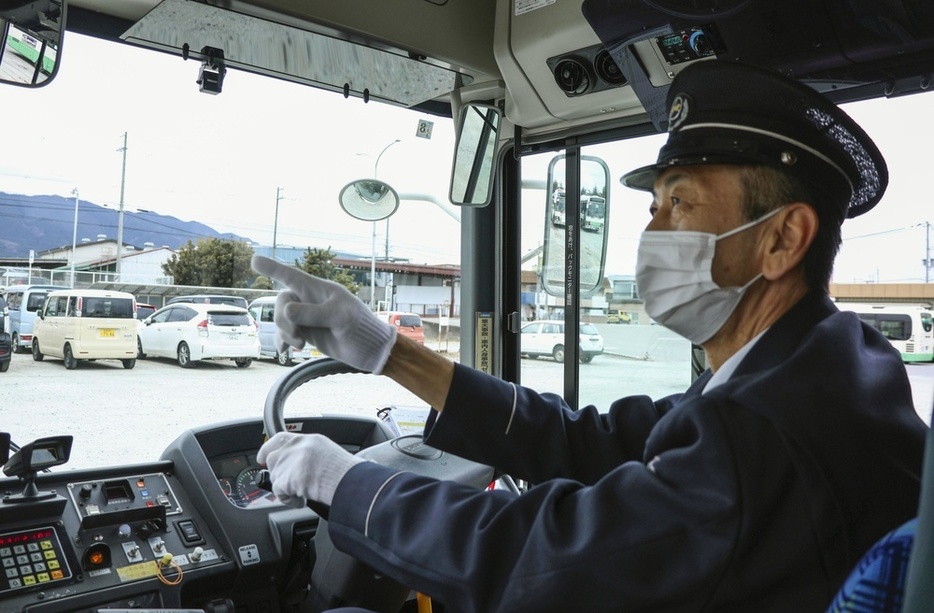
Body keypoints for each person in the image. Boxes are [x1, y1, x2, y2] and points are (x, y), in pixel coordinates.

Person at [251, 61, 928, 612]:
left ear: (782, 239)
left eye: (682, 203)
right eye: (654, 205)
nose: (654, 232)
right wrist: (387, 350)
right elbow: (588, 440)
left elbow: (543, 560)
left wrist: (347, 484)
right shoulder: (821, 366)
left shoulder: (761, 431)